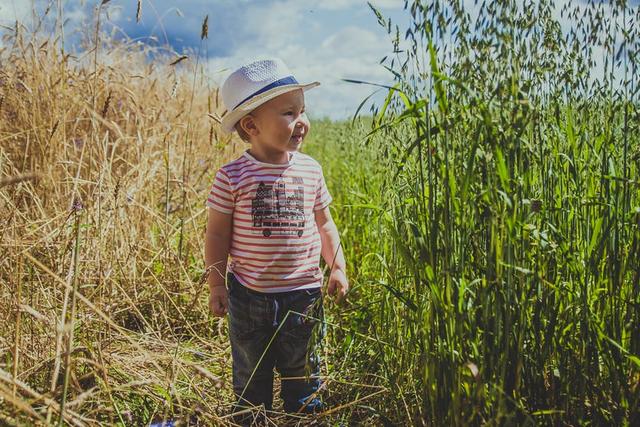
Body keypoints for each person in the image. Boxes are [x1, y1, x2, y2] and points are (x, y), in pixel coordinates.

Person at [203, 58, 348, 423]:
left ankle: (304, 415)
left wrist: (338, 266)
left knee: (302, 365)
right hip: (249, 294)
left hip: (304, 292)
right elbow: (217, 233)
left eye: (302, 111)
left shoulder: (310, 169)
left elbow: (325, 224)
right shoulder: (232, 176)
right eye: (288, 113)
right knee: (251, 367)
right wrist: (216, 282)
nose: (301, 121)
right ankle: (254, 416)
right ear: (251, 125)